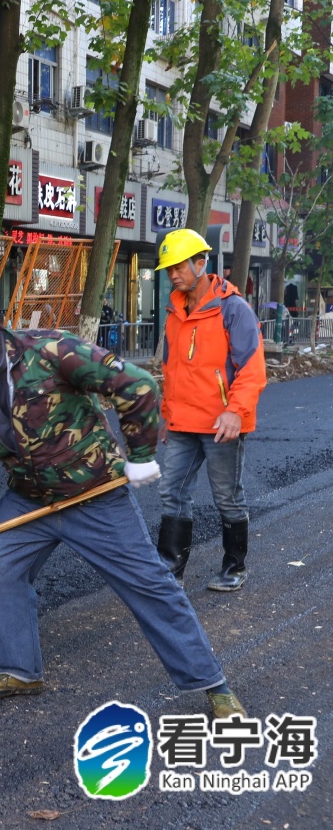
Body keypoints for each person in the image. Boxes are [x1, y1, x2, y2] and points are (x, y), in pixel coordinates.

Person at [0, 295, 245, 719]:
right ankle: (21, 671)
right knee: (2, 567)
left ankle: (213, 685)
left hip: (95, 495)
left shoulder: (52, 351)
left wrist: (139, 457)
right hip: (30, 499)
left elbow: (136, 385)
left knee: (148, 584)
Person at [156, 229, 267, 592]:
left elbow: (252, 367)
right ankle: (170, 571)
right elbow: (171, 369)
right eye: (169, 269)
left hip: (222, 423)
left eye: (179, 267)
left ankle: (235, 567)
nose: (173, 274)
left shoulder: (233, 309)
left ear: (201, 264)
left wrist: (236, 411)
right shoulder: (174, 311)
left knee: (227, 497)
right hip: (182, 422)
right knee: (172, 491)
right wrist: (166, 414)